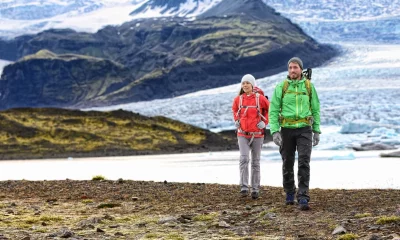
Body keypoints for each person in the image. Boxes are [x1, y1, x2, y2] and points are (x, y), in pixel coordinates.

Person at [268, 57, 321, 210]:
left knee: (304, 162)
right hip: (286, 129)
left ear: (300, 69)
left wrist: (316, 130)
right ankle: (290, 192)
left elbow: (316, 109)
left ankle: (303, 196)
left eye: (295, 67)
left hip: (305, 128)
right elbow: (273, 110)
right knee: (287, 162)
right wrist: (275, 131)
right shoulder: (281, 87)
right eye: (290, 67)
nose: (292, 70)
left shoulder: (309, 87)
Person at [232, 74, 269, 199]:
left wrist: (265, 122)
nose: (245, 85)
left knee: (255, 161)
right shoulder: (238, 99)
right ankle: (243, 187)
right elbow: (234, 110)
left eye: (247, 83)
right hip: (242, 134)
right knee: (243, 158)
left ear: (252, 84)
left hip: (257, 135)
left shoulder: (260, 99)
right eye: (243, 83)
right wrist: (236, 120)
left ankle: (255, 189)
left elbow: (271, 110)